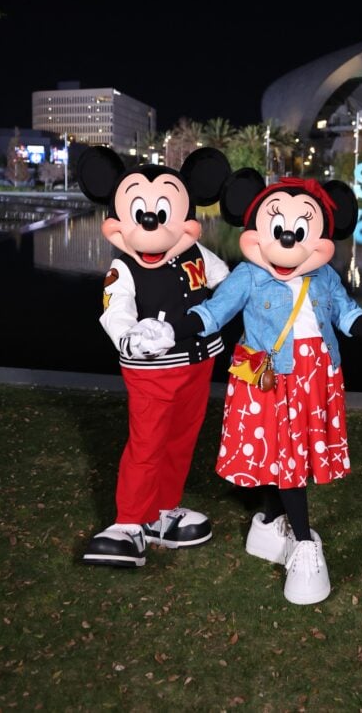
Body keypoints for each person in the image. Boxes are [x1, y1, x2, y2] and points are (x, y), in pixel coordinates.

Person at [145, 170, 362, 603]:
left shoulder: (325, 276)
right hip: (271, 380)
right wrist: (171, 332)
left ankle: (270, 525)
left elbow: (347, 316)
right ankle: (305, 548)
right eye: (278, 229)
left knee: (283, 457)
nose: (288, 240)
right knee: (287, 460)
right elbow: (213, 312)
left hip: (318, 379)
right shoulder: (250, 275)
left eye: (300, 230)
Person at [76, 146, 231, 567]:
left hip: (198, 363)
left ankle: (161, 512)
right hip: (153, 371)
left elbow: (231, 284)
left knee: (181, 440)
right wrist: (129, 338)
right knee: (147, 443)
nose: (151, 221)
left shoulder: (199, 255)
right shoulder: (123, 268)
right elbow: (115, 309)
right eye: (140, 212)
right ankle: (128, 522)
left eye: (163, 210)